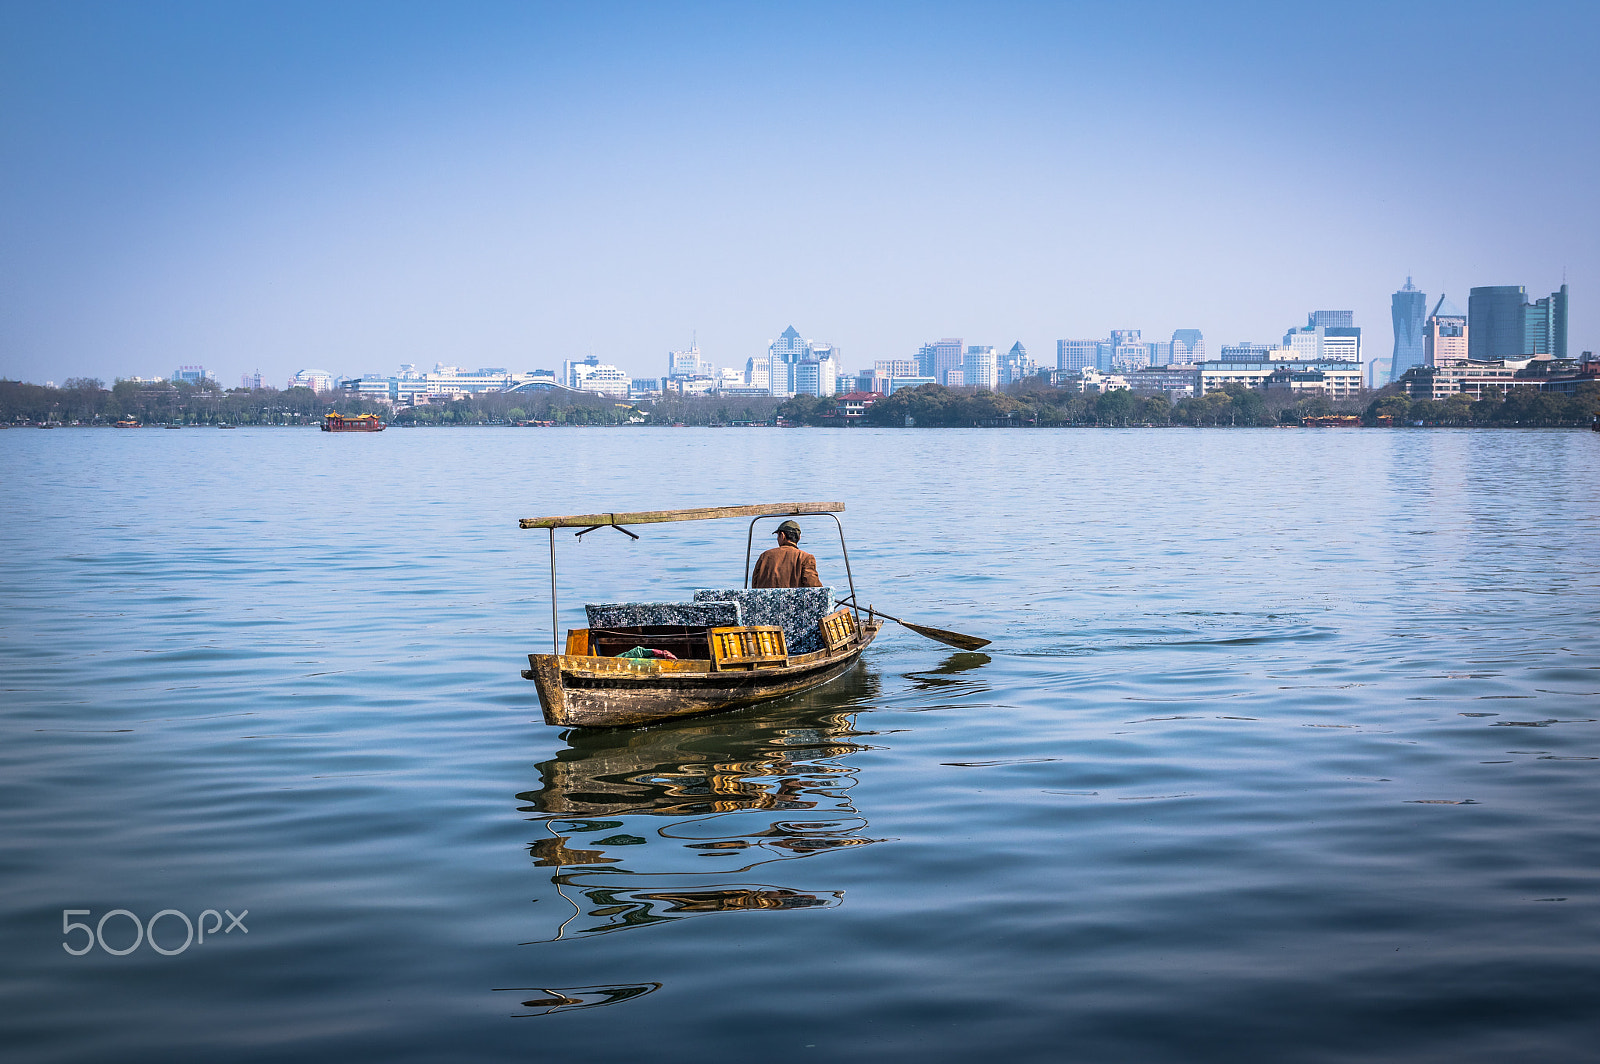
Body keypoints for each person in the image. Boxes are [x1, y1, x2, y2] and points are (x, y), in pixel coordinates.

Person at [751, 520, 822, 589]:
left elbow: (754, 584)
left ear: (782, 535)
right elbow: (814, 587)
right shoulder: (806, 558)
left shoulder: (765, 556)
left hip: (765, 601)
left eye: (778, 536)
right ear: (799, 538)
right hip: (794, 601)